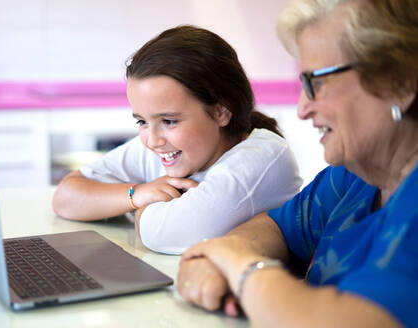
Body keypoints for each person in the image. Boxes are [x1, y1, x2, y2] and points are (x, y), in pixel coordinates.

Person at [177, 0, 418, 326]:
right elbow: (275, 227)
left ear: (400, 84)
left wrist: (241, 268)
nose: (303, 109)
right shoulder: (352, 178)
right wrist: (221, 256)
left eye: (315, 83)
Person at [52, 25, 302, 255]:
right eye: (142, 121)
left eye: (169, 121)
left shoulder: (263, 158)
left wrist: (140, 213)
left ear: (221, 111)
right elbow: (65, 197)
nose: (152, 140)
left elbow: (165, 233)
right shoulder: (167, 149)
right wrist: (137, 194)